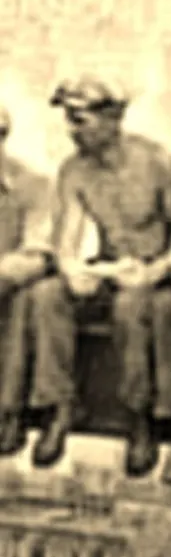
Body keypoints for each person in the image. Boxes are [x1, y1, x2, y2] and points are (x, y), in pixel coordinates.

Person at [28, 75, 171, 480]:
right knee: (47, 296)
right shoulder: (74, 172)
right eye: (70, 120)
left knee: (130, 307)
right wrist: (75, 270)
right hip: (113, 268)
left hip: (157, 272)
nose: (72, 131)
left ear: (112, 119)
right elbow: (68, 238)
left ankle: (139, 416)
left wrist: (154, 271)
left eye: (80, 120)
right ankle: (59, 404)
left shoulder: (157, 163)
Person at [0, 105, 55, 456]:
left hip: (6, 294)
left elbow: (38, 253)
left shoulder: (33, 186)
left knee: (29, 297)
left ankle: (8, 410)